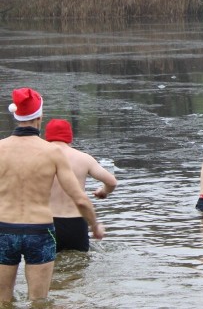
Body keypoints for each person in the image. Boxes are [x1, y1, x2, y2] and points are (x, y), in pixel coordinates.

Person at [0, 88, 104, 302]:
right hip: (39, 231)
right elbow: (79, 198)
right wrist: (94, 225)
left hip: (4, 229)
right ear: (39, 117)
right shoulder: (52, 152)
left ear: (16, 116)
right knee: (39, 301)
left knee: (3, 300)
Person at [44, 119, 117, 253]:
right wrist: (104, 191)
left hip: (47, 222)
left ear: (47, 137)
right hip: (76, 223)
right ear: (69, 137)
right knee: (78, 268)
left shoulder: (39, 158)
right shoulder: (84, 158)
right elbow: (111, 182)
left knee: (48, 268)